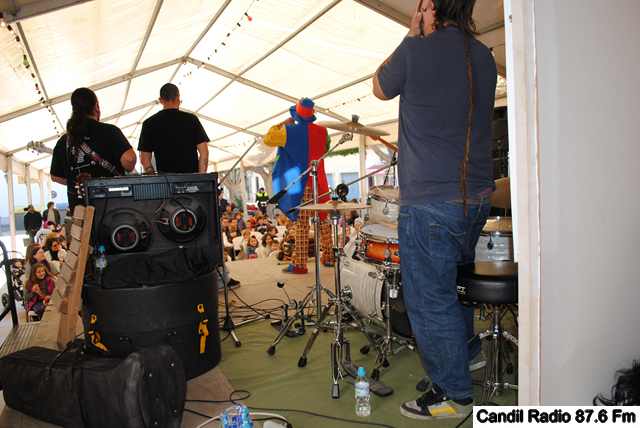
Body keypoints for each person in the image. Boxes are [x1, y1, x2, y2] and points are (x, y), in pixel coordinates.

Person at [373, 0, 497, 420]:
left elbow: (379, 86)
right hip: (476, 199)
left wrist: (411, 35)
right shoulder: (484, 57)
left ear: (432, 10)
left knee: (430, 298)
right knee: (455, 284)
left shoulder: (416, 49)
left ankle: (454, 396)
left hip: (430, 201)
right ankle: (467, 354)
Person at [263, 98, 334, 274]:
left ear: (296, 115)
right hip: (320, 181)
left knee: (302, 224)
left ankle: (300, 264)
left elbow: (268, 138)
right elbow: (326, 148)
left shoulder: (288, 131)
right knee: (324, 220)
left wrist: (283, 123)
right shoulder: (323, 132)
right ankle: (329, 257)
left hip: (302, 183)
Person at [50, 88, 137, 209]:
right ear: (96, 107)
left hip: (80, 213)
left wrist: (77, 183)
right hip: (113, 210)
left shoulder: (64, 141)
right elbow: (129, 159)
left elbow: (55, 176)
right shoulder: (110, 131)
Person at [138, 83, 209, 174]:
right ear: (178, 98)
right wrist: (200, 178)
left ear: (160, 100)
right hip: (191, 179)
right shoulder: (192, 120)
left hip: (165, 180)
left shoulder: (149, 123)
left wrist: (155, 178)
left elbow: (144, 159)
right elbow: (204, 153)